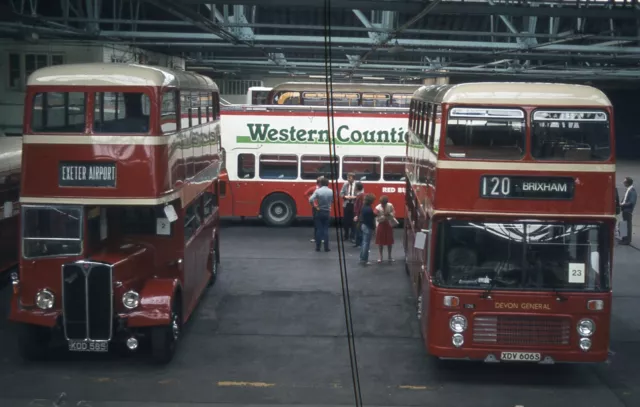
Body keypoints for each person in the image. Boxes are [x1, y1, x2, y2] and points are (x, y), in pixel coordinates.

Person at [309, 177, 333, 252]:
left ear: (321, 183)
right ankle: (326, 247)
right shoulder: (331, 191)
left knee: (319, 229)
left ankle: (318, 247)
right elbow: (332, 200)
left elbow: (310, 199)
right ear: (327, 183)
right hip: (327, 211)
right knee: (326, 230)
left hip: (319, 211)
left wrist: (314, 205)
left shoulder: (318, 191)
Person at [374, 195, 397, 263]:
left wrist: (390, 214)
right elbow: (377, 218)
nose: (383, 205)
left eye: (384, 203)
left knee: (389, 242)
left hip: (388, 225)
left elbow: (394, 212)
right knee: (380, 242)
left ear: (386, 202)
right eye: (382, 203)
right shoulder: (377, 208)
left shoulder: (390, 205)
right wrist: (384, 216)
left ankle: (389, 256)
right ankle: (380, 257)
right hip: (381, 225)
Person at [305, 176, 324, 243]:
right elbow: (306, 194)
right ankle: (317, 238)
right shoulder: (314, 188)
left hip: (319, 207)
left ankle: (320, 237)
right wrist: (312, 202)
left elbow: (306, 194)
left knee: (320, 223)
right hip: (318, 208)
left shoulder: (318, 189)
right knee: (317, 223)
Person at [359, 193, 376, 265]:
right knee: (366, 243)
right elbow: (370, 220)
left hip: (363, 225)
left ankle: (362, 258)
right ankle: (364, 259)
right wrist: (373, 228)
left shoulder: (364, 207)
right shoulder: (369, 209)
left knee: (364, 242)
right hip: (367, 227)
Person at [340, 172, 357, 241]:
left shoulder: (358, 185)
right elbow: (341, 193)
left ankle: (352, 236)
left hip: (354, 204)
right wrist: (345, 196)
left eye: (349, 178)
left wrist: (354, 197)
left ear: (353, 179)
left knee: (354, 221)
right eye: (347, 178)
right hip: (346, 204)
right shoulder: (345, 184)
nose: (348, 179)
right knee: (345, 221)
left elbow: (361, 194)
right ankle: (345, 235)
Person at [620, 177, 637, 245]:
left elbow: (631, 202)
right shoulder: (628, 190)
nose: (623, 183)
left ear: (627, 183)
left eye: (624, 182)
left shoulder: (632, 191)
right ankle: (623, 238)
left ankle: (627, 240)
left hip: (628, 210)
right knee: (623, 224)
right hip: (624, 210)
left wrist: (622, 205)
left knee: (627, 225)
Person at [352, 182, 365, 248]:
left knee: (359, 229)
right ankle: (357, 243)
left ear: (357, 187)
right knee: (358, 229)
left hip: (359, 215)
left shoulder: (360, 196)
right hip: (358, 214)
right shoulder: (360, 195)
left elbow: (359, 206)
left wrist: (357, 215)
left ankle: (359, 243)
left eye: (355, 186)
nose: (354, 188)